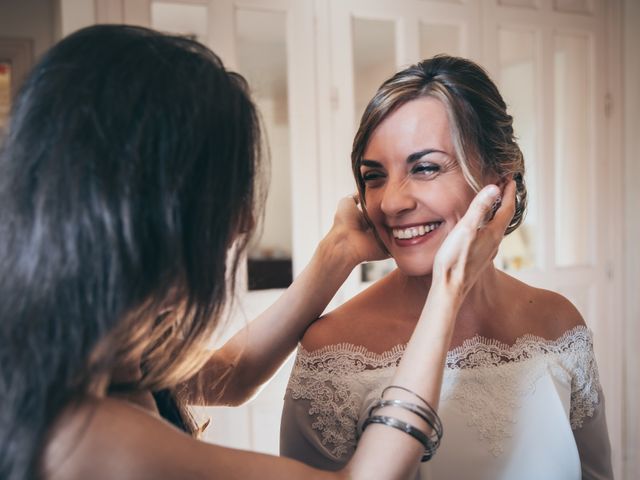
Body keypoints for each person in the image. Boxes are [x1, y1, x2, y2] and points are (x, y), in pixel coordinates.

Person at [0, 26, 514, 480]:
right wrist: (448, 287)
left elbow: (233, 373)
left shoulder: (84, 349)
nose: (242, 223)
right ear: (149, 210)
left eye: (424, 167)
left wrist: (338, 251)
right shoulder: (81, 433)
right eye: (223, 197)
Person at [280, 55, 613, 480]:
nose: (391, 202)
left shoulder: (558, 325)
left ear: (499, 176)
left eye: (425, 167)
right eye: (374, 176)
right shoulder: (332, 350)